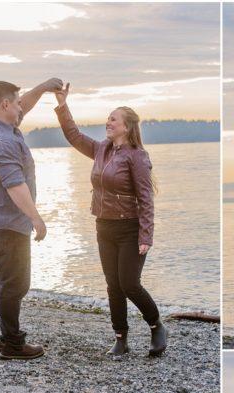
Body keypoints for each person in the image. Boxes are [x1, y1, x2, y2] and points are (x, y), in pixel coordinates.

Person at [53, 82, 168, 358]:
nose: (108, 122)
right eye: (108, 118)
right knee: (113, 285)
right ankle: (120, 338)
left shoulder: (136, 156)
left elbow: (146, 198)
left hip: (129, 228)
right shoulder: (101, 150)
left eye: (113, 119)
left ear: (126, 127)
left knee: (129, 283)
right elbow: (73, 135)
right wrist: (62, 105)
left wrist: (145, 236)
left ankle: (156, 326)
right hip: (103, 226)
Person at [0, 78, 62, 360]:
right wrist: (36, 219)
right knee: (15, 283)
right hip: (7, 225)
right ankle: (13, 344)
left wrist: (44, 87)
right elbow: (14, 184)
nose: (22, 107)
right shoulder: (0, 139)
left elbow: (24, 107)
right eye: (17, 103)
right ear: (5, 104)